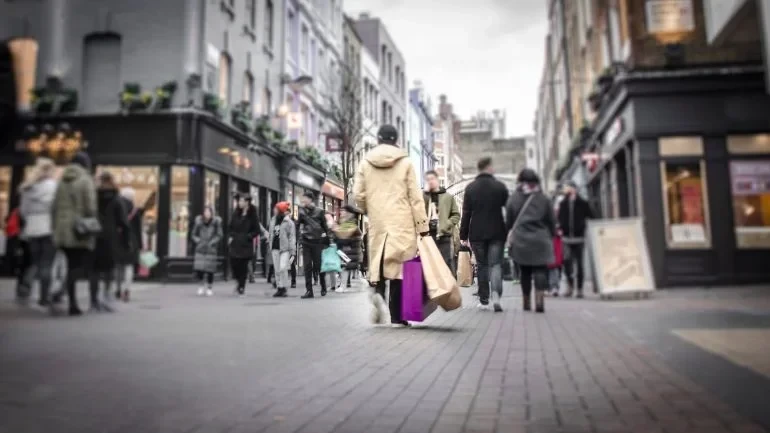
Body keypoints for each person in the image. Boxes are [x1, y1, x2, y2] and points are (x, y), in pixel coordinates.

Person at [354, 124, 429, 327]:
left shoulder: (366, 162)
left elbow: (358, 195)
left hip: (378, 221)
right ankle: (397, 317)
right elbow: (415, 196)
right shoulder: (405, 162)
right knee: (399, 269)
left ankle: (377, 294)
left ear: (378, 139)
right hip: (402, 220)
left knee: (378, 263)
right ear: (396, 140)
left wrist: (369, 209)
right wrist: (422, 226)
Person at [459, 157, 509, 312]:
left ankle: (484, 300)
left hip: (477, 233)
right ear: (489, 168)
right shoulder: (500, 187)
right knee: (495, 264)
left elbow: (466, 213)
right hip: (497, 232)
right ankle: (496, 295)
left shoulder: (471, 188)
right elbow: (508, 210)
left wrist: (463, 235)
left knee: (482, 266)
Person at [51, 151, 98, 316]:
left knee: (68, 264)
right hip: (78, 230)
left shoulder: (61, 181)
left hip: (62, 230)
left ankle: (65, 296)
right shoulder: (85, 180)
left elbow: (54, 206)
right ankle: (73, 304)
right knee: (76, 267)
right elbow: (91, 207)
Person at [506, 168, 556, 313]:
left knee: (525, 271)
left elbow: (509, 220)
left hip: (521, 240)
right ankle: (540, 301)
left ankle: (526, 301)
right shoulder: (543, 198)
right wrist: (550, 235)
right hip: (541, 239)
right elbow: (552, 220)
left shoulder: (514, 198)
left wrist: (510, 231)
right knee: (540, 269)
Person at [89, 171, 131, 312]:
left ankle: (93, 300)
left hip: (94, 235)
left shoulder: (93, 196)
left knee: (94, 270)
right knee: (109, 269)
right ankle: (106, 297)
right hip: (111, 237)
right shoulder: (116, 198)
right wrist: (126, 242)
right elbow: (123, 223)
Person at [18, 157, 57, 306]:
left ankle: (26, 284)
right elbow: (56, 209)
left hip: (32, 228)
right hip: (48, 227)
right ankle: (44, 297)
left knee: (35, 261)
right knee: (47, 263)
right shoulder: (53, 187)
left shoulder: (28, 187)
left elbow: (23, 211)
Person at [116, 187, 156, 302]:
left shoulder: (117, 209)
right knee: (129, 266)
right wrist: (140, 245)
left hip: (119, 240)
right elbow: (138, 230)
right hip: (131, 242)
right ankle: (126, 289)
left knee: (118, 266)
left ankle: (118, 289)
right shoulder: (135, 211)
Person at [558, 180, 594, 298]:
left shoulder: (582, 203)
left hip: (579, 238)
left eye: (570, 188)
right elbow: (560, 219)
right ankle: (570, 286)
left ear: (575, 189)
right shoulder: (563, 203)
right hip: (567, 238)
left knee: (579, 264)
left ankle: (579, 289)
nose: (568, 190)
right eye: (567, 188)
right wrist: (560, 228)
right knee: (567, 263)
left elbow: (592, 215)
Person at [423, 170, 461, 273]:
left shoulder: (447, 197)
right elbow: (418, 211)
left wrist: (446, 224)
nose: (430, 181)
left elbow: (456, 215)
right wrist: (425, 193)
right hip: (428, 234)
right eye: (428, 180)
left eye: (432, 179)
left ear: (437, 179)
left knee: (445, 263)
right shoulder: (424, 197)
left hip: (444, 234)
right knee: (429, 264)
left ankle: (448, 287)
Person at [297, 191, 330, 298]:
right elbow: (297, 225)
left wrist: (327, 241)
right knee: (307, 266)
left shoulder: (320, 212)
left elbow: (325, 227)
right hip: (306, 242)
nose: (303, 200)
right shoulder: (301, 211)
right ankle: (309, 291)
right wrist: (299, 238)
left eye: (305, 198)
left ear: (311, 199)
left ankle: (323, 286)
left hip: (317, 242)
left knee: (318, 266)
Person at [229, 193, 258, 295]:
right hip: (236, 242)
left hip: (246, 244)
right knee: (234, 263)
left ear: (247, 202)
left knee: (243, 266)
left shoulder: (252, 214)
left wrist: (248, 237)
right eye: (239, 201)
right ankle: (238, 280)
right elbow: (231, 226)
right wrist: (231, 236)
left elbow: (256, 230)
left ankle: (241, 286)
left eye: (241, 201)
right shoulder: (236, 213)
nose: (239, 203)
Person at [192, 206, 222, 296]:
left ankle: (209, 287)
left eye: (208, 212)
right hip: (200, 248)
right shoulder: (199, 222)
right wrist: (198, 241)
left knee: (210, 270)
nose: (207, 213)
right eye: (205, 211)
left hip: (211, 249)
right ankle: (201, 286)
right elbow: (193, 234)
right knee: (200, 269)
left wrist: (213, 242)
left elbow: (219, 234)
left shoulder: (216, 222)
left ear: (211, 213)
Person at [333, 204, 363, 293]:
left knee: (345, 268)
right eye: (341, 211)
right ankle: (344, 285)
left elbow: (345, 236)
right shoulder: (343, 222)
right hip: (344, 249)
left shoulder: (351, 224)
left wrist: (335, 229)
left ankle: (343, 286)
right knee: (344, 267)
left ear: (349, 213)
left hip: (349, 250)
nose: (341, 212)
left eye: (343, 211)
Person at [269, 201, 296, 298]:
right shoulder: (273, 220)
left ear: (280, 210)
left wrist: (293, 250)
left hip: (285, 248)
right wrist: (270, 244)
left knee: (282, 267)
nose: (274, 210)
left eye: (276, 208)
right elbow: (271, 233)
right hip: (275, 248)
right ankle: (280, 288)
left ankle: (284, 287)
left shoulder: (289, 222)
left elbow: (292, 237)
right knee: (277, 269)